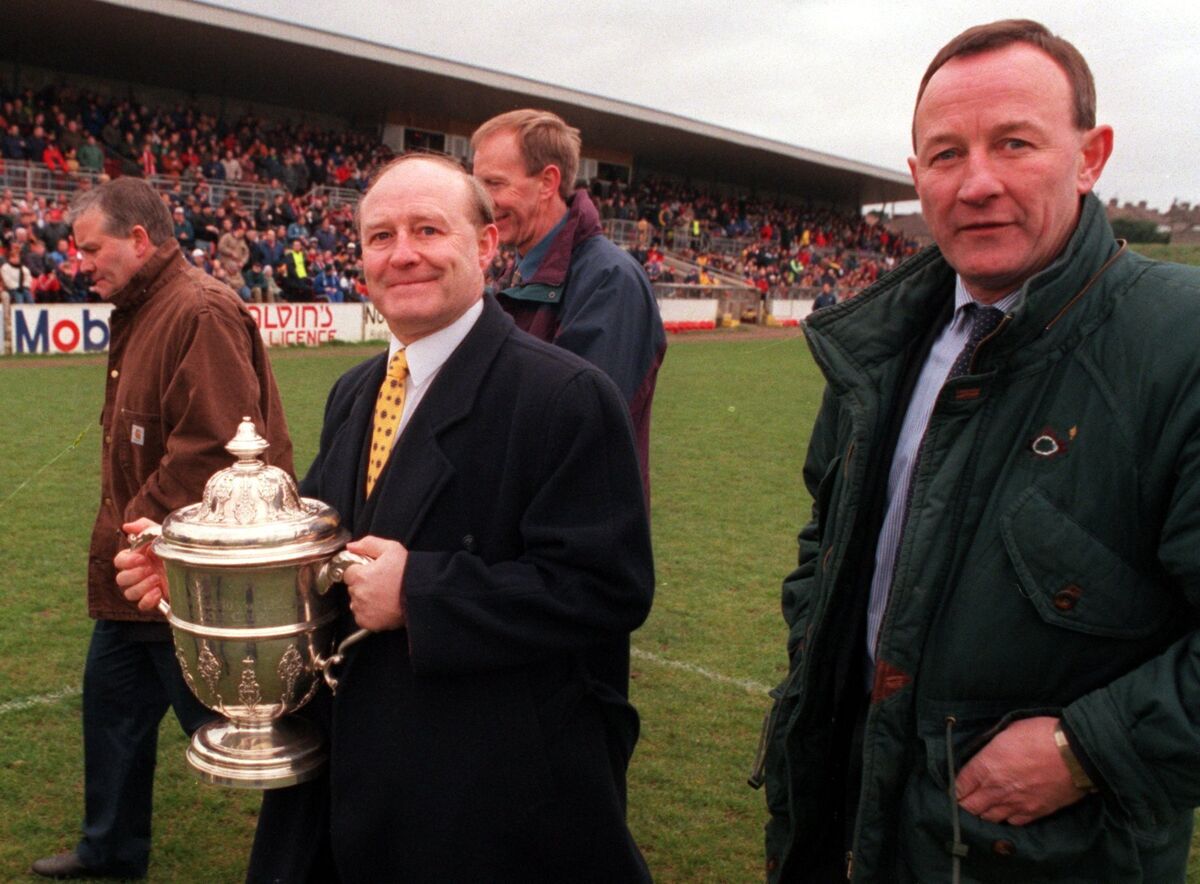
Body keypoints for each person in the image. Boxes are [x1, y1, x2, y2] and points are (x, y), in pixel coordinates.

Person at [119, 153, 655, 881]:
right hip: (347, 771)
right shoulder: (356, 389)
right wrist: (194, 574)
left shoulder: (565, 395)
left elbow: (608, 588)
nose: (402, 254)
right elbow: (315, 555)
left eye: (428, 229)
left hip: (485, 799)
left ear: (486, 245)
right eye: (380, 237)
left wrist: (422, 593)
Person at [758, 19, 1200, 883]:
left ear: (1092, 155)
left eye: (1015, 144)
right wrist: (815, 636)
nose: (978, 183)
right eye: (948, 154)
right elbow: (830, 532)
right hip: (850, 818)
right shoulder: (881, 341)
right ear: (917, 175)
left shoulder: (1179, 342)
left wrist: (1088, 748)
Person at [31, 176, 293, 880]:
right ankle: (110, 851)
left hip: (186, 576)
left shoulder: (199, 309)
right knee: (111, 715)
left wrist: (134, 531)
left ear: (139, 239)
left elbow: (215, 447)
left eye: (93, 249)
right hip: (138, 575)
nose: (82, 263)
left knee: (237, 734)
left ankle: (315, 850)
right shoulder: (150, 308)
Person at [470, 109, 666, 494]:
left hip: (575, 528)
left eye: (494, 184)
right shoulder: (518, 270)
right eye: (477, 187)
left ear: (547, 182)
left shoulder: (609, 279)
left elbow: (577, 424)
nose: (482, 204)